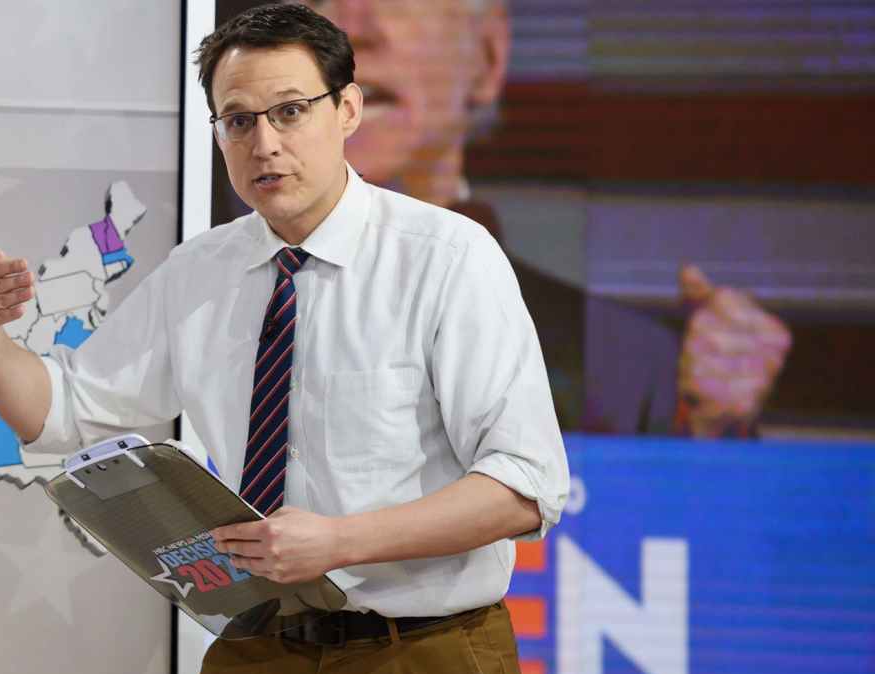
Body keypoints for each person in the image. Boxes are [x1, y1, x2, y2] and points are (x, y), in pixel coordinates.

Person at [0, 5, 565, 674]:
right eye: (238, 121)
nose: (265, 143)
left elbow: (526, 489)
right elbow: (56, 411)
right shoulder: (201, 271)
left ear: (347, 109)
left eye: (289, 111)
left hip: (421, 664)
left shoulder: (444, 259)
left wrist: (340, 541)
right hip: (260, 662)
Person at [296, 0, 793, 438]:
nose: (354, 27)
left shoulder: (634, 378)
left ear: (488, 55)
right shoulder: (225, 305)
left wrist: (704, 436)